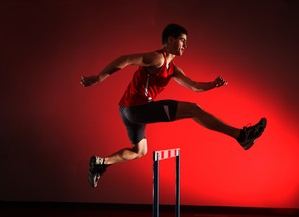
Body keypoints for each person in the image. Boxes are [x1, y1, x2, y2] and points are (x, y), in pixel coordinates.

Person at [81, 23, 267, 188]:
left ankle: (101, 162)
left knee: (140, 151)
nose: (185, 46)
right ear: (170, 40)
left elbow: (193, 86)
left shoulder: (173, 68)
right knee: (193, 110)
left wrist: (213, 84)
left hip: (127, 110)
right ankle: (241, 135)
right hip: (137, 109)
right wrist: (98, 78)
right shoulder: (158, 59)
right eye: (182, 41)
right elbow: (126, 59)